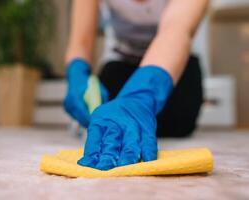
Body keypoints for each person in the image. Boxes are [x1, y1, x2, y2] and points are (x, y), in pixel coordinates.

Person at [63, 0, 209, 170]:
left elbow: (176, 30)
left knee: (179, 122)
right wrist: (77, 73)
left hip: (172, 68)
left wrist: (140, 97)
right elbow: (81, 40)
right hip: (122, 63)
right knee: (109, 119)